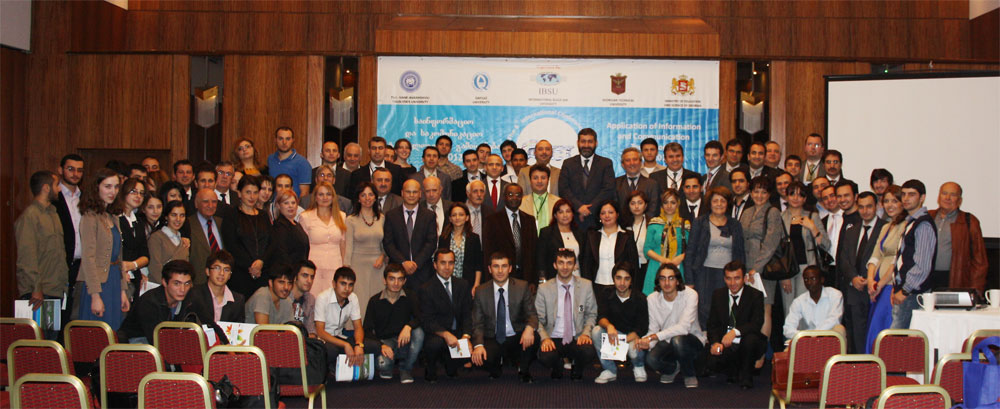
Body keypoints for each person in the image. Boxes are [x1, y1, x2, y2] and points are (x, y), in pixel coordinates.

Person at [471, 252, 539, 383]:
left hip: (516, 336)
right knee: (478, 357)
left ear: (510, 268)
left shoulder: (522, 286)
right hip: (493, 336)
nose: (500, 271)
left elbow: (532, 314)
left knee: (534, 337)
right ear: (489, 269)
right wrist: (478, 345)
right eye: (496, 266)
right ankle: (496, 367)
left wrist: (529, 328)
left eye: (504, 266)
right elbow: (477, 323)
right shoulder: (481, 291)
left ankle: (523, 369)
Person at [75, 168, 130, 329]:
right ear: (96, 188)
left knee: (113, 331)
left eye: (116, 187)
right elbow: (88, 258)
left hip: (114, 279)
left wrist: (123, 290)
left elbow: (118, 257)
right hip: (97, 284)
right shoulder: (90, 217)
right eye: (107, 186)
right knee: (97, 331)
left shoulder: (112, 216)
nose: (113, 191)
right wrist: (95, 295)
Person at [15, 170, 68, 339]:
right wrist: (35, 289)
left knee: (50, 340)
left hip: (54, 288)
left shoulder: (53, 213)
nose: (59, 189)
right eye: (56, 185)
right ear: (46, 188)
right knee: (37, 342)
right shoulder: (30, 216)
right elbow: (27, 257)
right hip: (39, 293)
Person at [685, 187, 746, 327]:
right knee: (704, 309)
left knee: (726, 308)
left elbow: (740, 252)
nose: (719, 204)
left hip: (728, 275)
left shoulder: (735, 224)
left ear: (727, 203)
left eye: (723, 201)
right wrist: (689, 279)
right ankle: (706, 337)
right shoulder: (700, 222)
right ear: (710, 203)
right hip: (704, 273)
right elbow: (690, 252)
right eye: (715, 201)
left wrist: (742, 275)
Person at [536, 249, 598, 381]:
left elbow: (591, 314)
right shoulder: (544, 289)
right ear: (555, 265)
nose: (565, 267)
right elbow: (537, 319)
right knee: (545, 357)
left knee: (588, 351)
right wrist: (545, 338)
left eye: (569, 263)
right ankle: (557, 366)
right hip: (553, 337)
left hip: (577, 336)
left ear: (575, 266)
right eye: (561, 263)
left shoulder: (586, 285)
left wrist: (586, 333)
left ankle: (577, 367)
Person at [641, 263, 705, 388]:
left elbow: (684, 328)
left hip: (691, 340)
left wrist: (654, 337)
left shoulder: (691, 295)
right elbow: (653, 329)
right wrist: (647, 342)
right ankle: (673, 368)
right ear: (658, 282)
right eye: (662, 278)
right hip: (667, 340)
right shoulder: (652, 299)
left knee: (678, 340)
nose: (667, 283)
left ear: (677, 281)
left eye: (671, 278)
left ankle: (689, 374)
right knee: (650, 359)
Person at [834, 191, 883, 354]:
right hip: (854, 289)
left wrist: (871, 278)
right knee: (856, 335)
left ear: (877, 206)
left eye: (869, 206)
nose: (865, 211)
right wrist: (853, 278)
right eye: (861, 207)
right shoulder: (851, 230)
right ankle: (858, 367)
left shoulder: (885, 228)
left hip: (876, 289)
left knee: (875, 335)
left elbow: (887, 257)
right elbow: (844, 259)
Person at [706, 261, 765, 389]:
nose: (732, 283)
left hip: (746, 341)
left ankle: (746, 376)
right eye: (729, 278)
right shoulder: (718, 294)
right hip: (725, 343)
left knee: (751, 340)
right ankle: (731, 370)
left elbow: (756, 324)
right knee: (708, 363)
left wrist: (734, 332)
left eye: (737, 278)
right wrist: (715, 343)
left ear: (744, 278)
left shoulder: (755, 295)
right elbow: (712, 324)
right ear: (724, 279)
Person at [418, 249, 474, 382]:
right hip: (438, 333)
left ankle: (451, 364)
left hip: (458, 332)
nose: (447, 267)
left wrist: (466, 336)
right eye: (443, 263)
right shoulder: (426, 289)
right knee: (434, 345)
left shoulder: (463, 285)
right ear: (435, 265)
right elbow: (427, 321)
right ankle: (431, 368)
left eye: (451, 263)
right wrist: (445, 334)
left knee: (476, 350)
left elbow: (467, 314)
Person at [739, 176, 783, 341]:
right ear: (750, 193)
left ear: (769, 194)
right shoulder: (747, 212)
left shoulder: (773, 212)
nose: (759, 196)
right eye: (756, 191)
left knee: (765, 308)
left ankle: (763, 349)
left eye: (763, 192)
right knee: (748, 309)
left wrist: (756, 269)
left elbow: (771, 244)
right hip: (746, 266)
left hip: (764, 268)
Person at [864, 185, 906, 353]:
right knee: (874, 330)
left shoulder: (906, 225)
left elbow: (897, 260)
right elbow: (875, 255)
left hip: (890, 286)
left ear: (902, 202)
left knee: (884, 331)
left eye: (894, 201)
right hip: (878, 286)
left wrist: (880, 284)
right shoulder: (886, 227)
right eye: (886, 201)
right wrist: (870, 280)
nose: (890, 205)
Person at [364, 264, 424, 384]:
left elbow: (421, 318)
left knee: (419, 333)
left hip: (404, 340)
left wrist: (408, 326)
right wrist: (381, 345)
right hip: (385, 341)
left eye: (400, 279)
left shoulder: (410, 296)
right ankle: (389, 367)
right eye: (392, 279)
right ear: (384, 280)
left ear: (404, 281)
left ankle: (405, 369)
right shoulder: (375, 301)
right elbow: (367, 329)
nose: (396, 283)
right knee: (382, 365)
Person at [890, 180, 937, 329]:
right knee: (900, 336)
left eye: (911, 194)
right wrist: (897, 285)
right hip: (905, 290)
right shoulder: (911, 221)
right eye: (903, 194)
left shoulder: (923, 224)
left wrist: (905, 290)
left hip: (912, 293)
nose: (906, 198)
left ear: (922, 197)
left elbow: (922, 265)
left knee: (899, 337)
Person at [780, 181, 831, 318]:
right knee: (789, 310)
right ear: (786, 197)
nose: (796, 198)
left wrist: (813, 228)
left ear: (805, 198)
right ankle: (791, 333)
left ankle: (807, 333)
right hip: (787, 270)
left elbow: (826, 244)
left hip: (808, 268)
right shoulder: (780, 217)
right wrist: (784, 276)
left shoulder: (812, 216)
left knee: (807, 309)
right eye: (792, 194)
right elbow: (777, 248)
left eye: (800, 195)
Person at [592, 263, 649, 383]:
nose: (622, 283)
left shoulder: (640, 298)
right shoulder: (606, 293)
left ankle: (638, 366)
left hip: (632, 337)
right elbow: (601, 317)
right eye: (618, 278)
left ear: (631, 281)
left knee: (635, 348)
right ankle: (610, 370)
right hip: (614, 335)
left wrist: (623, 342)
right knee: (596, 331)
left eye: (626, 279)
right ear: (613, 278)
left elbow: (642, 328)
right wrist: (609, 326)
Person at [929, 182, 988, 293]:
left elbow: (979, 260)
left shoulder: (969, 221)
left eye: (953, 194)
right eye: (944, 193)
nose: (947, 198)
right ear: (938, 197)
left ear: (960, 200)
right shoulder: (928, 217)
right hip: (927, 280)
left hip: (955, 280)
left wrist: (976, 290)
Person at [118, 260, 194, 344]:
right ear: (164, 282)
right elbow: (156, 340)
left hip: (167, 341)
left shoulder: (189, 299)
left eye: (187, 284)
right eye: (177, 284)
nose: (182, 289)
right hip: (136, 342)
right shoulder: (149, 302)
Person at [383, 179, 438, 290]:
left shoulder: (429, 216)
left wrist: (416, 263)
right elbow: (388, 243)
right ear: (402, 193)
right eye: (408, 192)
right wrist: (403, 262)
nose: (411, 195)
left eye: (415, 192)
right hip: (398, 272)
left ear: (420, 194)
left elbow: (431, 243)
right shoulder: (391, 215)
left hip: (422, 271)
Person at [221, 175, 270, 298]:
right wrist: (251, 266)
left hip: (262, 272)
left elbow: (271, 243)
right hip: (240, 273)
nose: (252, 197)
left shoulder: (264, 216)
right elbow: (231, 245)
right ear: (239, 193)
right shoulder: (231, 215)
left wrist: (261, 262)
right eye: (248, 192)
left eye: (255, 192)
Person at [558, 128, 616, 230]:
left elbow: (608, 189)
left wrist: (590, 209)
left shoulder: (605, 164)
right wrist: (579, 207)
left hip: (597, 219)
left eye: (590, 142)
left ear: (596, 143)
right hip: (573, 219)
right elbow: (564, 189)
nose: (586, 145)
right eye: (583, 141)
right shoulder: (568, 164)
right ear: (578, 143)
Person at [344, 181, 387, 319]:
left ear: (375, 197)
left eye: (370, 194)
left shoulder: (382, 218)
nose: (367, 198)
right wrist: (347, 269)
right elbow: (348, 246)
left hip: (377, 266)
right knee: (359, 300)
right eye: (363, 195)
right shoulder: (351, 220)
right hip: (357, 266)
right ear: (358, 198)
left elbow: (386, 244)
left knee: (377, 299)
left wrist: (382, 257)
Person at [483, 184, 539, 285]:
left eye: (518, 195)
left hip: (526, 277)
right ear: (504, 197)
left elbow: (534, 252)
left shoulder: (529, 220)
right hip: (501, 276)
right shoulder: (492, 220)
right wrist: (490, 280)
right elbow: (488, 252)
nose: (514, 198)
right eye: (510, 194)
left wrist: (533, 281)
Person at [299, 182, 347, 297]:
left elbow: (343, 243)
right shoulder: (305, 217)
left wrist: (344, 265)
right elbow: (302, 245)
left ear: (333, 197)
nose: (325, 198)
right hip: (313, 268)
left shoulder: (342, 216)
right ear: (315, 197)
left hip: (335, 265)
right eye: (321, 194)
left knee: (332, 299)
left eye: (328, 194)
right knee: (313, 299)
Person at [583, 200, 639, 296]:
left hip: (621, 287)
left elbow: (634, 263)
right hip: (596, 286)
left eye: (610, 212)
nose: (607, 216)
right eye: (603, 213)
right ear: (599, 216)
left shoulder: (627, 236)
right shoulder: (592, 235)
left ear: (617, 214)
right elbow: (586, 264)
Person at [55, 154, 85, 329]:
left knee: (77, 315)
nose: (75, 174)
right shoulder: (54, 197)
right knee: (59, 317)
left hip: (82, 266)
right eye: (71, 169)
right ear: (60, 170)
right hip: (60, 264)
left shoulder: (86, 198)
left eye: (80, 170)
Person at [643, 189, 690, 295]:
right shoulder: (654, 223)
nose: (669, 206)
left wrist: (679, 258)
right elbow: (647, 248)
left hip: (677, 267)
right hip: (656, 266)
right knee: (654, 299)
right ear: (661, 204)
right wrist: (663, 260)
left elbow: (690, 249)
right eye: (666, 202)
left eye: (672, 202)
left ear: (678, 204)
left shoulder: (685, 224)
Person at [110, 177, 150, 300]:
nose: (138, 196)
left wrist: (132, 265)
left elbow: (145, 256)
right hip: (115, 277)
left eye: (141, 193)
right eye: (133, 191)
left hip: (135, 278)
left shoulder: (139, 222)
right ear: (123, 192)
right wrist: (122, 268)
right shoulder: (113, 218)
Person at [188, 251, 246, 331]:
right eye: (217, 268)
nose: (221, 273)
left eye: (226, 270)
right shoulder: (195, 294)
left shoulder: (238, 300)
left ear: (230, 275)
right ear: (207, 271)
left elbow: (238, 330)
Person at [782, 266, 844, 340]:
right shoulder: (799, 301)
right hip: (808, 340)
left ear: (822, 279)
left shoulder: (835, 295)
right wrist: (805, 336)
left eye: (813, 279)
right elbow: (787, 328)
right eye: (806, 279)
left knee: (840, 329)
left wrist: (813, 334)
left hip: (830, 338)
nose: (809, 282)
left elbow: (834, 320)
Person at [536, 199, 586, 281]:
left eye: (568, 211)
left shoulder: (580, 233)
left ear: (572, 214)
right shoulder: (547, 232)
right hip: (554, 278)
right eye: (561, 212)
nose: (565, 215)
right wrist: (542, 278)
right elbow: (541, 259)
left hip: (577, 277)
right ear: (555, 215)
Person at [440, 203, 484, 294]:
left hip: (468, 284)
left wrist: (476, 284)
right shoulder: (444, 238)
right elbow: (439, 262)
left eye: (461, 215)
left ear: (467, 217)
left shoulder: (474, 238)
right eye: (454, 215)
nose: (457, 217)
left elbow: (478, 264)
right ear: (450, 219)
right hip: (447, 282)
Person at [264, 189, 310, 271]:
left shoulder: (296, 224)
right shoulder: (279, 226)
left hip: (298, 271)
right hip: (287, 272)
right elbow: (281, 255)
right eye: (286, 203)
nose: (290, 206)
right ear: (278, 205)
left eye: (293, 203)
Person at [186, 189, 223, 285]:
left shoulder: (222, 223)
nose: (210, 205)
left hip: (222, 281)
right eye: (205, 201)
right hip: (197, 283)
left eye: (214, 202)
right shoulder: (187, 224)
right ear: (196, 204)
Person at [616, 147, 660, 220]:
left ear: (640, 162)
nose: (632, 163)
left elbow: (653, 208)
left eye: (635, 159)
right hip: (622, 224)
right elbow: (614, 208)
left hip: (646, 224)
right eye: (628, 160)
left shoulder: (652, 184)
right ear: (623, 164)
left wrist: (641, 223)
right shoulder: (615, 183)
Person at [267, 126, 312, 197]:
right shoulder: (270, 159)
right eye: (280, 138)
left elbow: (304, 193)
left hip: (292, 203)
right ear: (275, 140)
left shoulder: (302, 163)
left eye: (288, 139)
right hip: (274, 203)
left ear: (293, 140)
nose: (284, 142)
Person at [519, 164, 561, 234]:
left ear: (548, 180)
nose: (539, 181)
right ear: (530, 180)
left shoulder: (558, 202)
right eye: (535, 178)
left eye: (543, 178)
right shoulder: (521, 203)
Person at [625, 191, 652, 292]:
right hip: (629, 268)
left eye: (640, 203)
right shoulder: (624, 224)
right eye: (633, 203)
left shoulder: (651, 223)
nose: (636, 206)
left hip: (647, 266)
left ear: (646, 205)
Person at [290, 261, 317, 336]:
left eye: (312, 277)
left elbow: (311, 330)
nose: (309, 281)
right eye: (305, 276)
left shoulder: (310, 299)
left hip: (304, 340)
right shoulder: (284, 296)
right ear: (295, 277)